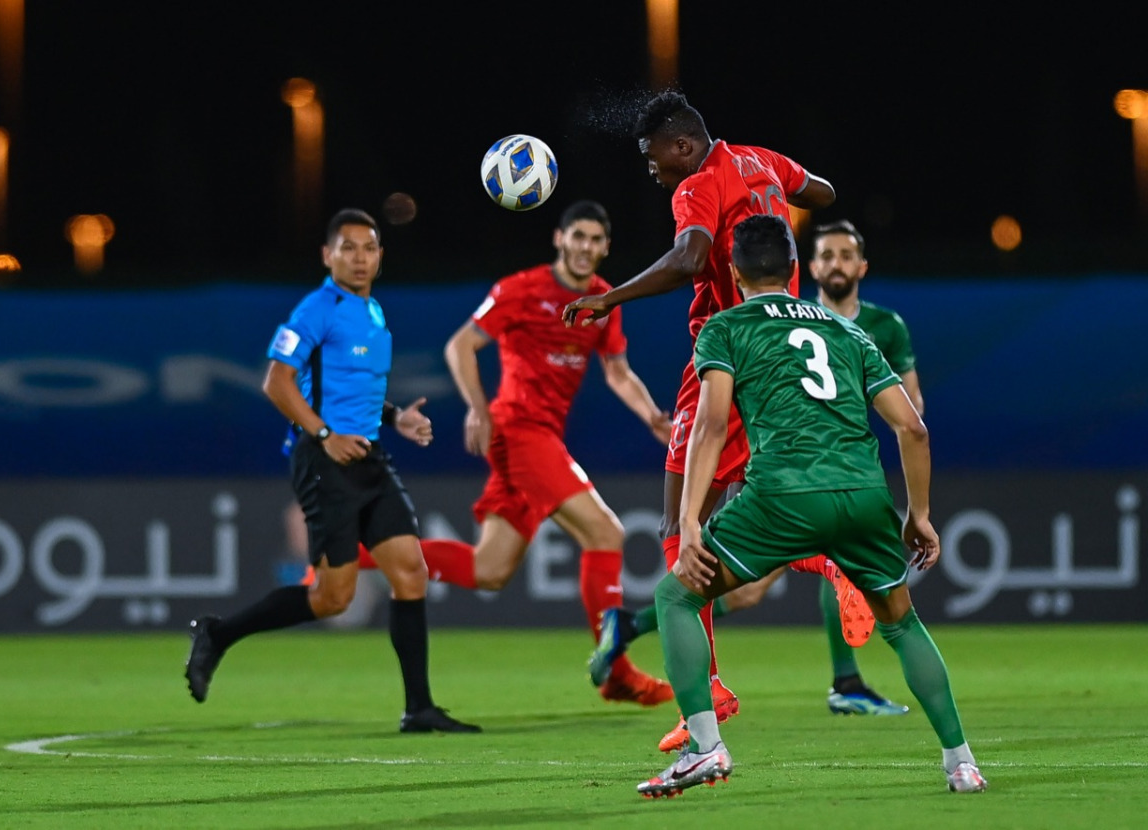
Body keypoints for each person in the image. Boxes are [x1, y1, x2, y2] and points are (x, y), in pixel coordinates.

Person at [635, 214, 986, 798]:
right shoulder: (849, 331)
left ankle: (704, 747)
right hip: (862, 495)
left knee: (677, 595)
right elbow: (913, 429)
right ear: (797, 269)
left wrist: (691, 521)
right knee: (902, 624)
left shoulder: (723, 328)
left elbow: (712, 424)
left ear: (734, 270)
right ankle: (962, 763)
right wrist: (918, 514)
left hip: (780, 495)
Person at [562, 90, 843, 748]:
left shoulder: (695, 185)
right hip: (784, 351)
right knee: (736, 518)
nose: (650, 168)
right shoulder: (760, 161)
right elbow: (823, 192)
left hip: (726, 355)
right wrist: (776, 197)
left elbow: (690, 258)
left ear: (683, 146)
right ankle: (827, 558)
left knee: (676, 520)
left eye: (653, 155)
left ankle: (708, 687)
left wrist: (611, 299)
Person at [348, 200, 676, 705]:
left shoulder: (604, 298)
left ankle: (349, 557)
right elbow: (459, 346)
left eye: (596, 240)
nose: (586, 247)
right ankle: (618, 673)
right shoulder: (519, 290)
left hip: (542, 435)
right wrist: (477, 408)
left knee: (490, 569)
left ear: (605, 247)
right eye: (578, 236)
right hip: (518, 431)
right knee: (606, 532)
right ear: (558, 239)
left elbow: (616, 371)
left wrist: (652, 414)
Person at [593, 219, 919, 725]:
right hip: (786, 458)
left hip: (834, 462)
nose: (835, 264)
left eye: (844, 255)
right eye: (826, 255)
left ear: (861, 266)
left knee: (746, 586)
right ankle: (844, 680)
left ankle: (640, 632)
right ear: (805, 268)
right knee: (819, 561)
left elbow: (911, 406)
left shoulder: (881, 327)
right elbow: (716, 420)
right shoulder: (774, 326)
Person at [184, 207, 480, 734]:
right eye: (348, 248)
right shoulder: (316, 309)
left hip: (369, 458)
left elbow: (350, 391)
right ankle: (219, 634)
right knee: (332, 597)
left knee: (411, 571)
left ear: (381, 257)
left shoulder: (373, 312)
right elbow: (276, 382)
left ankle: (419, 708)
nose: (360, 258)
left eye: (369, 248)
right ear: (328, 255)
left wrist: (395, 418)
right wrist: (324, 435)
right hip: (325, 462)